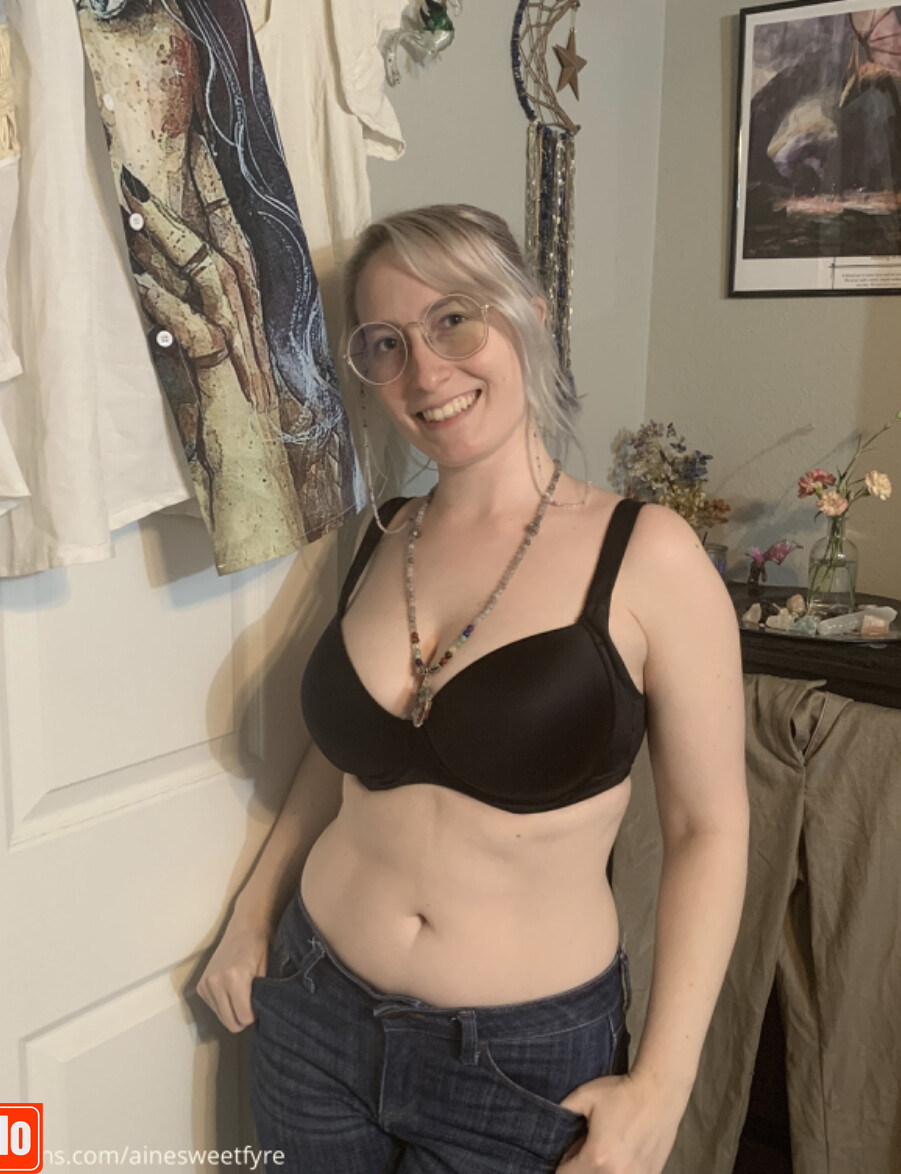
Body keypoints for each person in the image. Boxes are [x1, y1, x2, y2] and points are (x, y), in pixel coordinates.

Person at [196, 204, 749, 1174]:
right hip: (313, 1013)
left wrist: (664, 1084)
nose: (425, 371)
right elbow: (344, 761)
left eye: (454, 320)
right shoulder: (382, 535)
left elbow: (709, 827)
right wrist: (252, 912)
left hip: (522, 1065)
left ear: (529, 314)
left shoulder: (648, 555)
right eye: (387, 343)